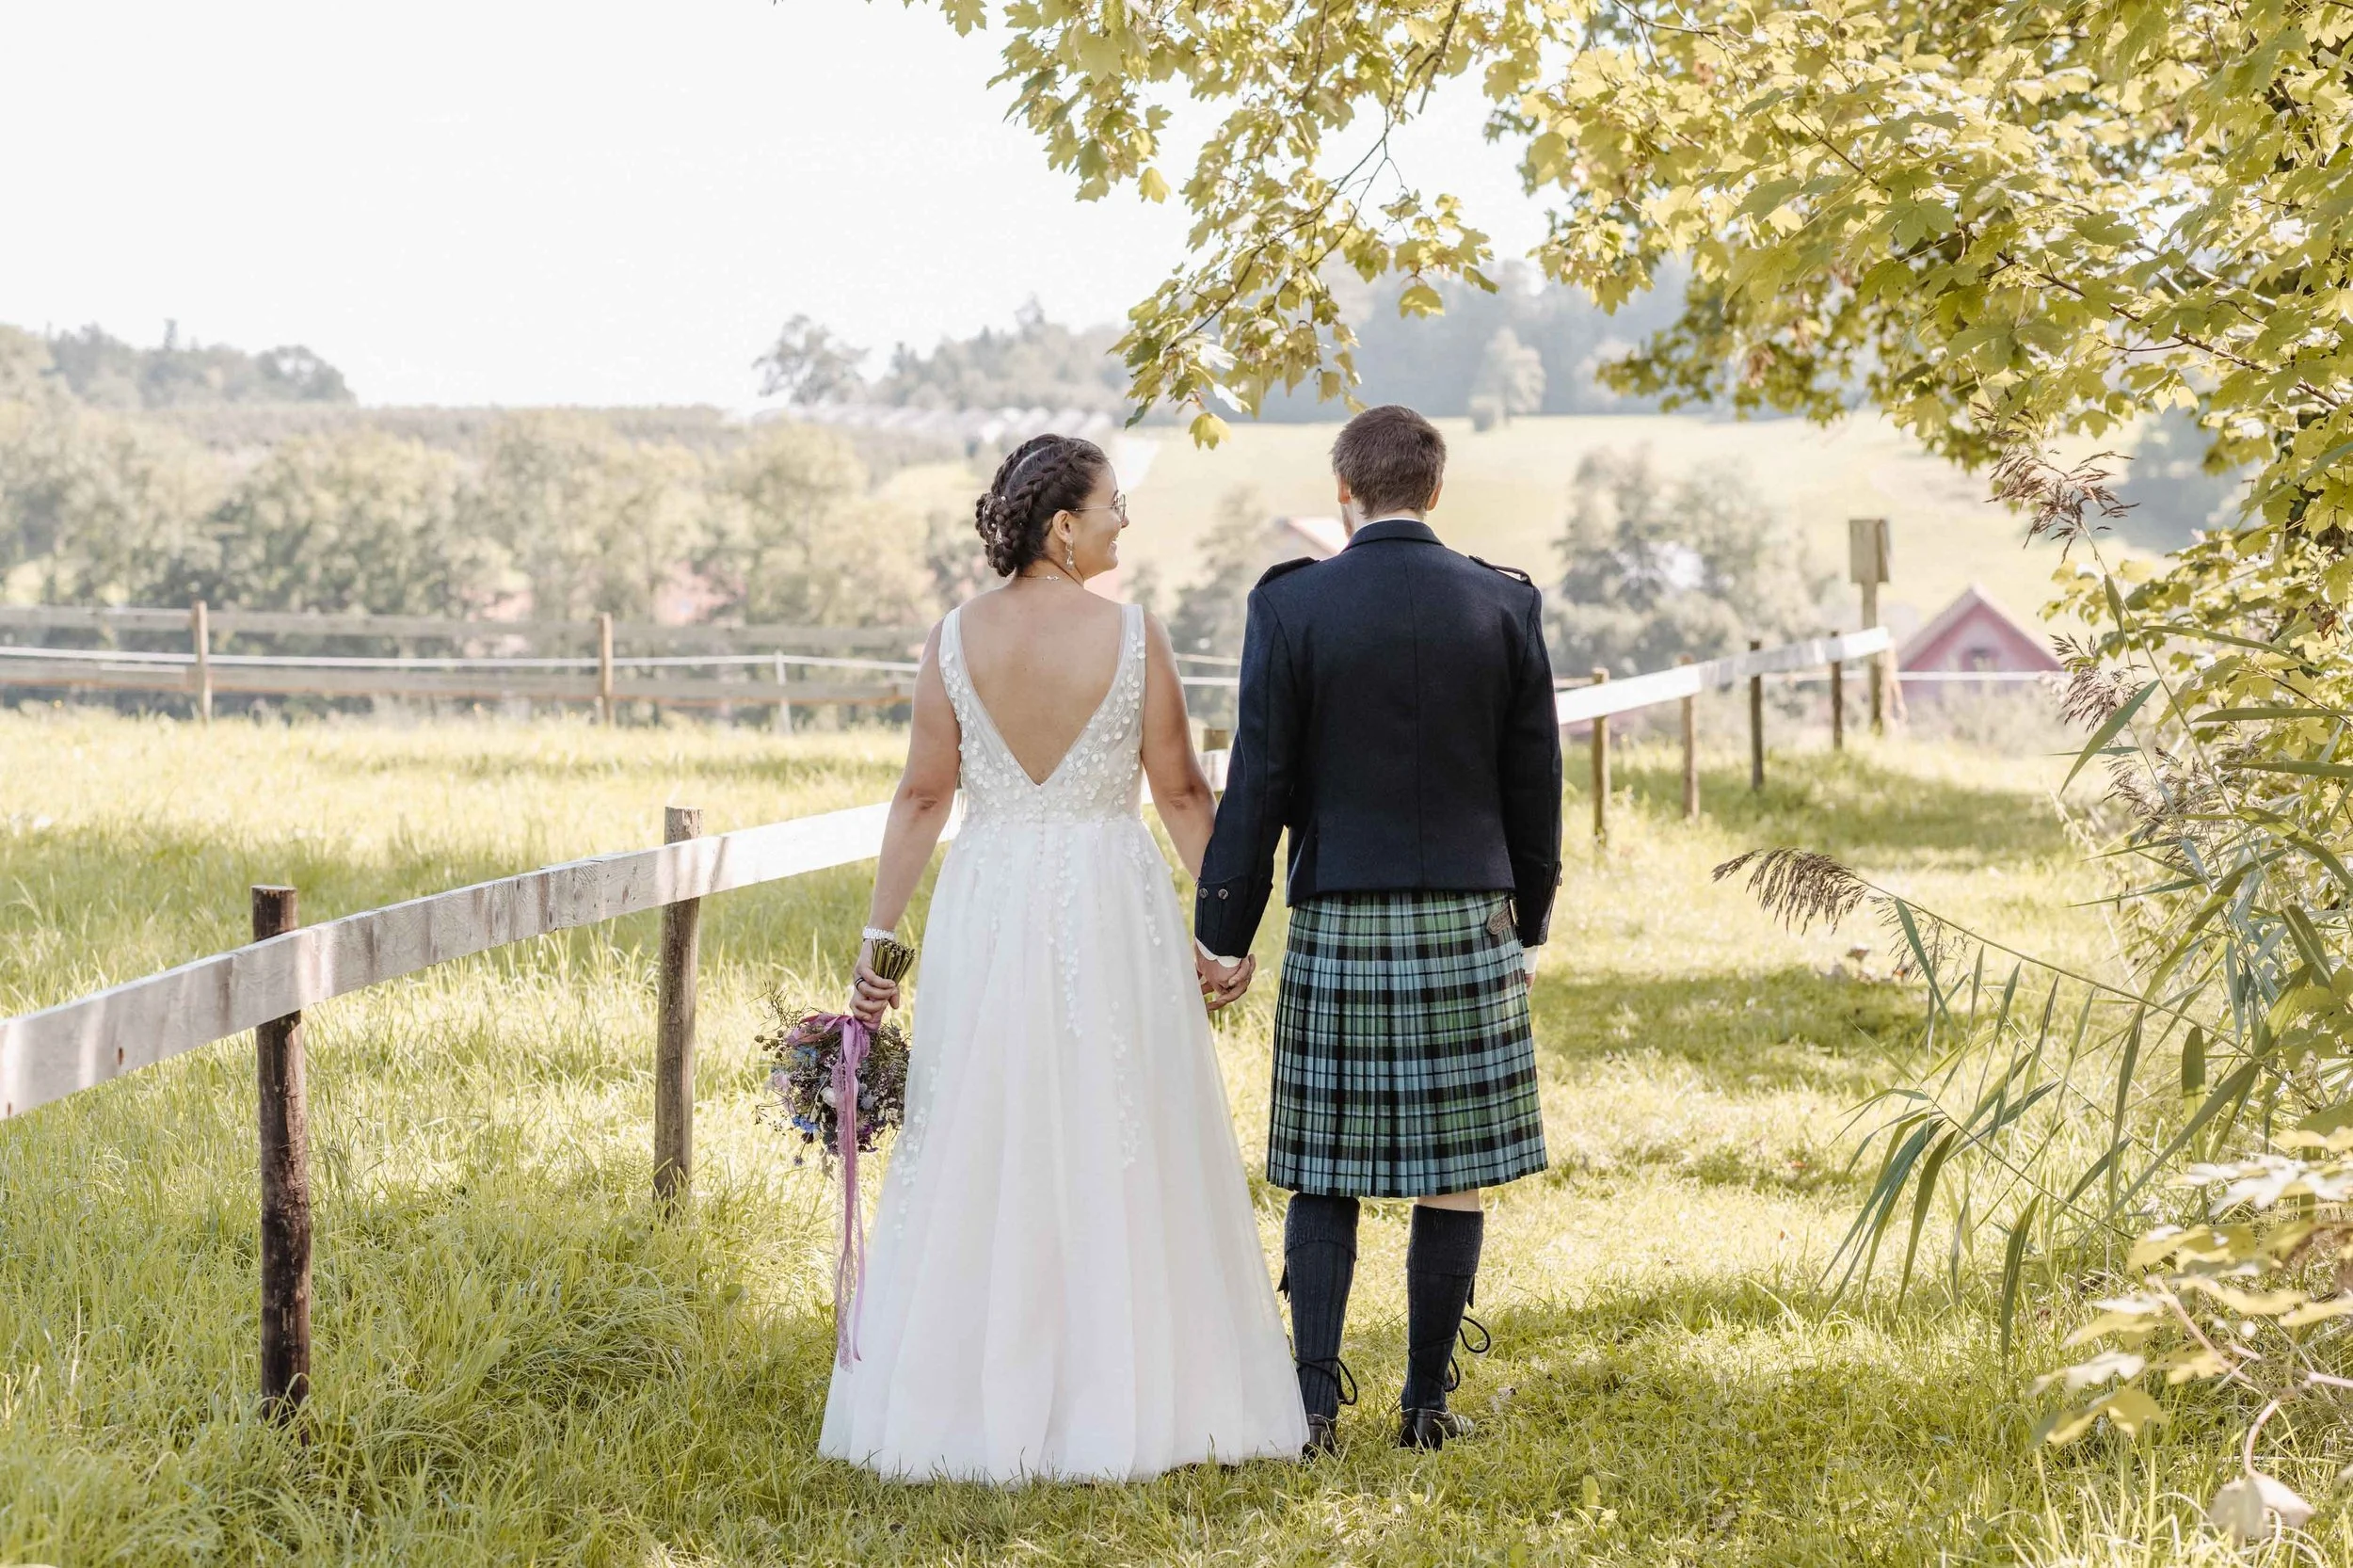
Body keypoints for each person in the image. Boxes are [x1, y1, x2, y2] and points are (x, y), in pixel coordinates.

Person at [819, 433, 1308, 1482]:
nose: (1125, 523)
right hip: (1105, 898)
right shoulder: (1133, 636)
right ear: (1063, 526)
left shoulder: (954, 636)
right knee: (1119, 1118)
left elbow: (921, 793)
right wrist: (1222, 931)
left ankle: (963, 1394)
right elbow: (1182, 794)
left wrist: (880, 939)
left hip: (989, 898)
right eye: (1113, 506)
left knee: (983, 1121)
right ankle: (1130, 1391)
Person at [1193, 404, 1562, 1453]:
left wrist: (1222, 927)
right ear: (1434, 490)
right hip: (1464, 914)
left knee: (1325, 1162)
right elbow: (1533, 782)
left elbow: (1256, 780)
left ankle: (1311, 1404)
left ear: (1342, 494)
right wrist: (1526, 923)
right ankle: (1424, 1405)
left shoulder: (1294, 605)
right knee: (1455, 1164)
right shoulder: (1501, 603)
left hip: (1339, 912)